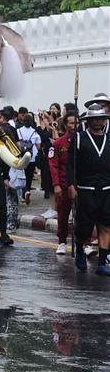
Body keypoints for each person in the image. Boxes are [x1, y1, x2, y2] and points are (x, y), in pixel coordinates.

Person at [68, 103, 110, 275]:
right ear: (89, 120)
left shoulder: (109, 138)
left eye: (101, 118)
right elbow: (71, 165)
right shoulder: (79, 138)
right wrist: (71, 185)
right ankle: (79, 249)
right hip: (86, 189)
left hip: (107, 189)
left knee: (106, 226)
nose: (98, 122)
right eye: (95, 119)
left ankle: (101, 264)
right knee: (84, 228)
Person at [49, 113, 78, 254]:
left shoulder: (82, 141)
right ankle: (61, 242)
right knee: (63, 215)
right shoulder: (58, 143)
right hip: (63, 184)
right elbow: (53, 165)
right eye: (71, 123)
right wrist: (56, 185)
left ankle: (85, 243)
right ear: (66, 125)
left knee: (83, 215)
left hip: (79, 184)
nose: (74, 126)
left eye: (76, 123)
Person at [0, 106, 21, 237]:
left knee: (5, 197)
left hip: (3, 164)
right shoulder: (14, 129)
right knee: (12, 196)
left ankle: (9, 223)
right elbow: (19, 145)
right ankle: (13, 222)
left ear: (3, 117)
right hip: (14, 163)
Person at [16, 113, 41, 203]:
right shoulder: (35, 132)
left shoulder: (18, 131)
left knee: (21, 175)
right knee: (29, 176)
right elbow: (38, 146)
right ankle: (27, 191)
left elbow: (17, 143)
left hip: (21, 157)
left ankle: (22, 194)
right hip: (32, 157)